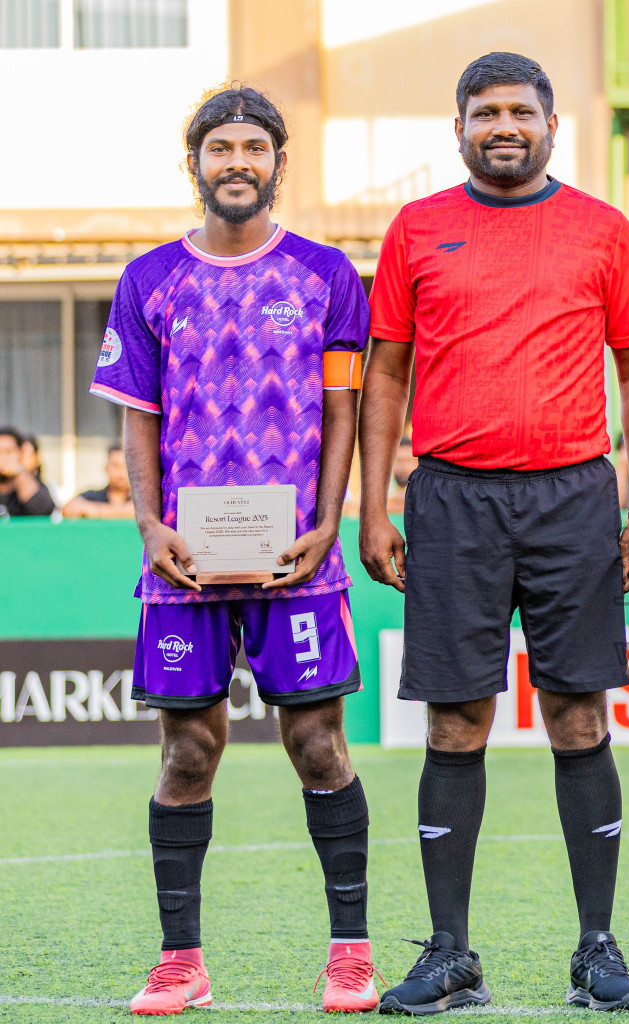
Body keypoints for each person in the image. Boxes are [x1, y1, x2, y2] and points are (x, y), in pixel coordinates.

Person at [357, 52, 629, 1015]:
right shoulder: (418, 228)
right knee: (456, 720)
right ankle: (450, 954)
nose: (504, 125)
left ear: (550, 126)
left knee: (579, 714)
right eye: (484, 111)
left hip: (575, 496)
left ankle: (596, 950)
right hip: (452, 497)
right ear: (458, 128)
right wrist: (376, 504)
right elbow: (387, 375)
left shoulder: (604, 231)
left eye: (520, 111)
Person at [87, 86, 378, 1014]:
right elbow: (139, 417)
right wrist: (148, 524)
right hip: (184, 561)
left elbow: (343, 409)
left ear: (279, 164)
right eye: (221, 148)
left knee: (319, 744)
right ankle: (181, 963)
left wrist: (331, 517)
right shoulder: (148, 281)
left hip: (297, 554)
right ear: (196, 165)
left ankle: (350, 954)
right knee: (185, 756)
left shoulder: (327, 275)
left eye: (255, 146)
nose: (238, 161)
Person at [63, 444, 137, 518]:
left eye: (125, 467)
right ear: (106, 468)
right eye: (115, 466)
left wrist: (95, 510)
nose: (121, 473)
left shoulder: (141, 498)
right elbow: (68, 508)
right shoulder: (92, 496)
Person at [0, 426, 56, 517]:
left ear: (21, 453)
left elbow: (44, 511)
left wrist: (19, 471)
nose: (2, 458)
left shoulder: (32, 483)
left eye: (8, 452)